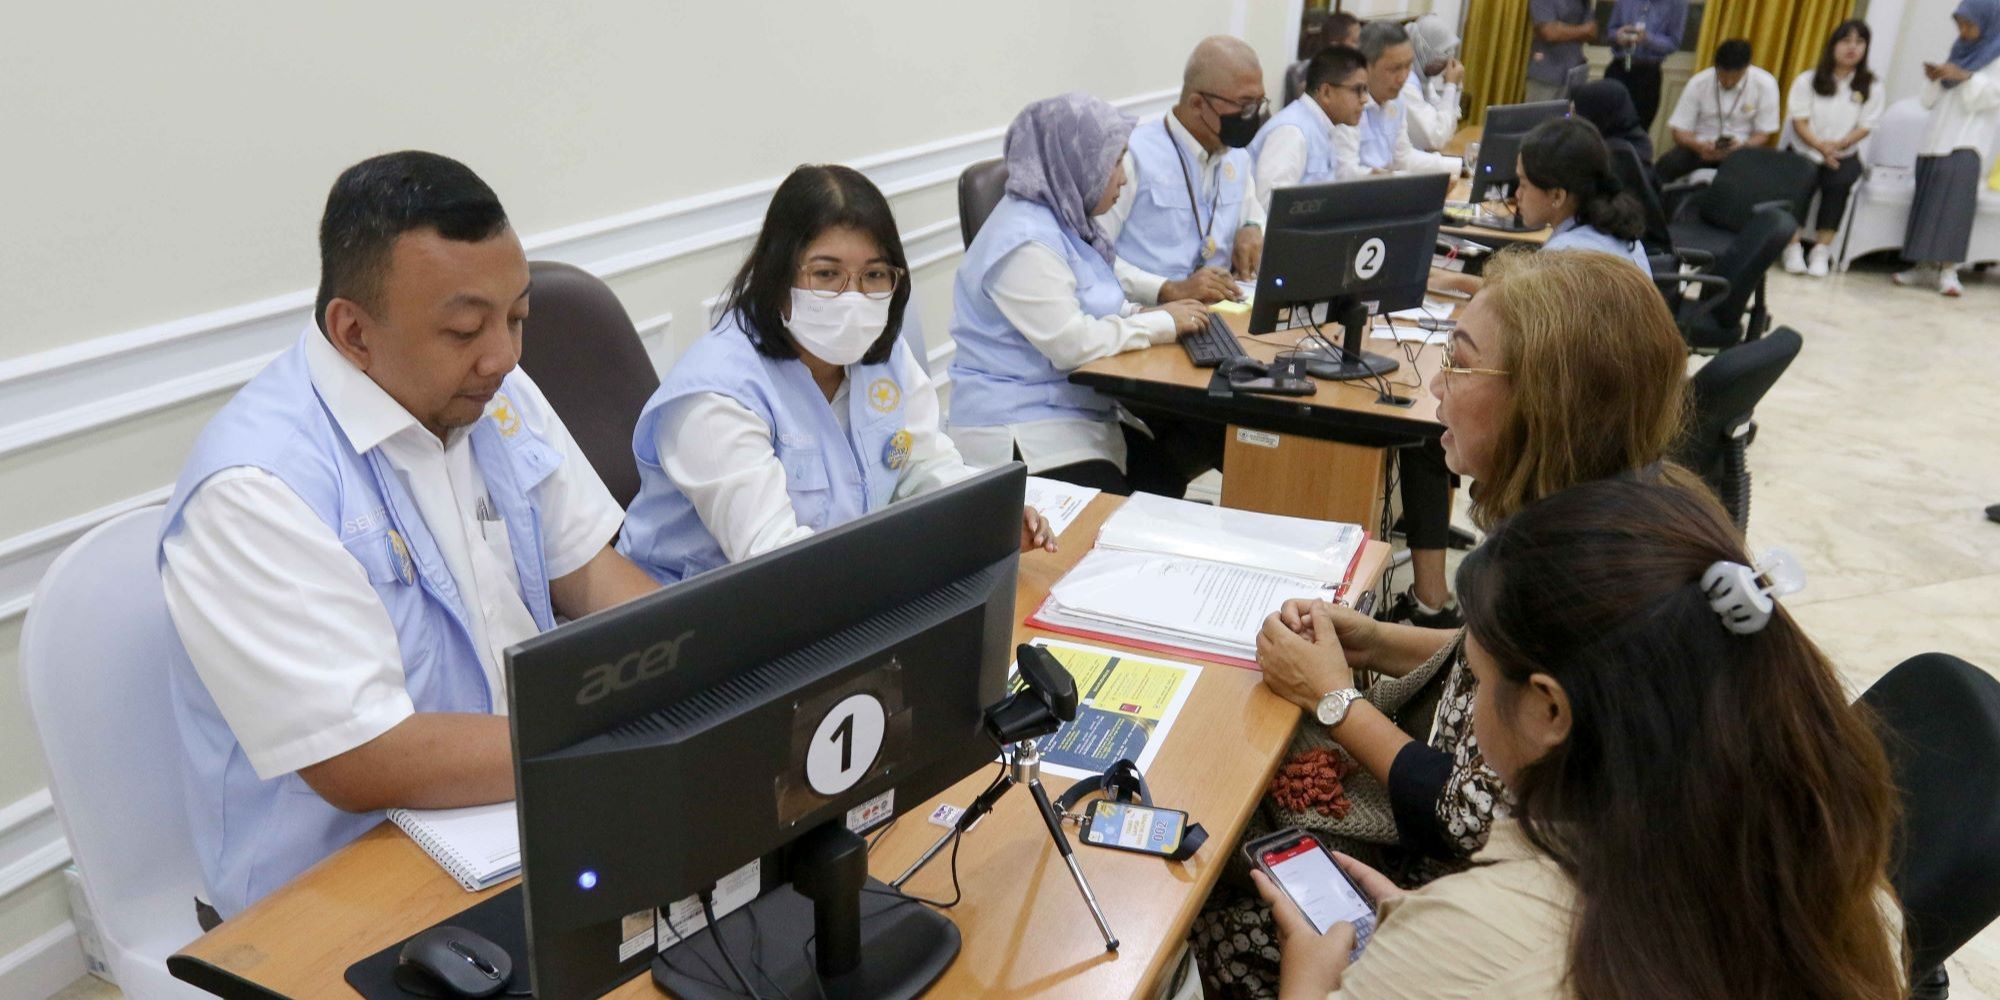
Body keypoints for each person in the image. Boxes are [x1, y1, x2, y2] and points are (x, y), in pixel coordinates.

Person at [158, 152, 663, 919]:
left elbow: (590, 574)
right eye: (465, 328)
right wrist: (605, 739)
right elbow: (365, 758)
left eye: (518, 316)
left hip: (512, 805)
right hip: (337, 880)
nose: (505, 355)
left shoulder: (494, 390)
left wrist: (695, 665)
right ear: (353, 332)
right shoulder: (255, 491)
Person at [1194, 250, 1688, 997]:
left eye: (1458, 364)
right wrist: (1378, 642)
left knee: (1214, 908)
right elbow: (1500, 668)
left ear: (1541, 401)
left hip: (1474, 900)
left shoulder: (1562, 577)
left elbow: (1463, 816)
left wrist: (1335, 698)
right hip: (1564, 891)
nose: (1434, 388)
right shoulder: (1620, 518)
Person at [1254, 478, 1908, 1000]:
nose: (1471, 703)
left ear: (1549, 709)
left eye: (1477, 682)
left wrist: (1311, 977)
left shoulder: (1491, 929)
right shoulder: (1838, 881)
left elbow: (1508, 946)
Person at [619, 166, 1054, 584]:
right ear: (777, 274)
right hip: (694, 623)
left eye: (874, 275)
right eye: (826, 274)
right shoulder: (716, 396)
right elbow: (775, 561)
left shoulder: (879, 353)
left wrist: (984, 517)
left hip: (837, 591)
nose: (854, 298)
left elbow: (920, 464)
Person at [947, 93, 1214, 497]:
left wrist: (1144, 310)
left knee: (1166, 474)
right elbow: (1072, 344)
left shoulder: (1064, 218)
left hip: (1071, 410)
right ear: (1074, 162)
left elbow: (1093, 294)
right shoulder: (1024, 242)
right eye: (1115, 160)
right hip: (1025, 432)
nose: (1122, 177)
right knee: (1143, 501)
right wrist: (1160, 322)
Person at [1106, 35, 1269, 308]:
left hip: (1224, 311)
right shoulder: (1131, 156)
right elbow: (1091, 257)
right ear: (1197, 104)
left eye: (1259, 103)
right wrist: (1167, 289)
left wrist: (1252, 228)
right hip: (1149, 314)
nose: (1253, 116)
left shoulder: (1237, 154)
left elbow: (1253, 215)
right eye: (1244, 105)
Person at [1895, 0, 2000, 298]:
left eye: (1969, 24)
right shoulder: (1958, 53)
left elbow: (1992, 97)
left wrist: (1965, 77)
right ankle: (1922, 266)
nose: (1963, 31)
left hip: (1965, 144)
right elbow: (1928, 102)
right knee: (1926, 206)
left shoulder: (1995, 56)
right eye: (1960, 24)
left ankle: (1950, 272)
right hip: (1934, 141)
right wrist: (1937, 77)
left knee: (1954, 211)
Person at [1784, 20, 1885, 278]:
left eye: (1859, 42)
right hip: (1806, 150)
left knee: (1839, 183)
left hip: (1843, 153)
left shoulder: (1871, 85)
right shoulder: (1808, 79)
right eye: (1846, 41)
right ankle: (1792, 247)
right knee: (1798, 183)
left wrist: (1836, 147)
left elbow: (1865, 126)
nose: (1852, 48)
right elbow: (1799, 121)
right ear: (1833, 45)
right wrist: (1820, 147)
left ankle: (1821, 250)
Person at [1252, 45, 1372, 213]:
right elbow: (1270, 207)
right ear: (1326, 92)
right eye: (1357, 90)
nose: (1365, 99)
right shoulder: (1292, 132)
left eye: (1366, 90)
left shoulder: (1326, 127)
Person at [1334, 22, 1460, 179]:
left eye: (1408, 66)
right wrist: (1395, 182)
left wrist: (1459, 166)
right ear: (1365, 66)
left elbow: (1403, 157)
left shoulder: (1396, 100)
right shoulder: (1345, 105)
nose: (1403, 77)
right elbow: (1345, 174)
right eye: (1394, 69)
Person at [1658, 39, 1781, 184]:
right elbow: (1679, 131)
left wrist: (1742, 146)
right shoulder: (1699, 83)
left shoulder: (1765, 84)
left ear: (1747, 67)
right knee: (1666, 166)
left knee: (1760, 180)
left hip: (1742, 150)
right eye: (1722, 76)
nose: (1728, 82)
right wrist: (1699, 146)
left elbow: (1762, 134)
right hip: (1701, 148)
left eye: (1734, 78)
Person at [1604, 0, 1688, 130]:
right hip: (1619, 68)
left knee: (1639, 129)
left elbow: (1674, 43)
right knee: (1605, 125)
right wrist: (1617, 36)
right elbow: (1610, 31)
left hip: (1648, 75)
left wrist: (1647, 39)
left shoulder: (1677, 3)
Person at [1401, 15, 1465, 152]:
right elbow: (1436, 138)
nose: (1448, 61)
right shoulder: (1405, 83)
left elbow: (1447, 127)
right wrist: (1450, 86)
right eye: (1443, 52)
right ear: (1422, 49)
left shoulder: (1424, 82)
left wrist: (1455, 86)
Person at [1527, 0, 1599, 104]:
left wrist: (1562, 29)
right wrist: (1582, 31)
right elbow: (1549, 32)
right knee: (1539, 118)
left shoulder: (1583, 2)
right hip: (1546, 75)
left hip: (1575, 75)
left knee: (1568, 119)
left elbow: (1592, 32)